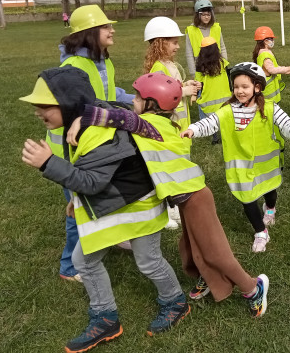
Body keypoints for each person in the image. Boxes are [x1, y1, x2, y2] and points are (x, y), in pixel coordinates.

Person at [68, 72, 271, 316]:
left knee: (216, 252)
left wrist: (84, 118)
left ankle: (253, 287)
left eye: (137, 96)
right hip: (184, 199)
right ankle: (208, 277)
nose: (133, 100)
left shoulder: (151, 126)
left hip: (196, 198)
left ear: (151, 104)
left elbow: (124, 118)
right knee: (190, 247)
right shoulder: (160, 122)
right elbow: (126, 111)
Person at [20, 68, 188, 352]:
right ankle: (105, 317)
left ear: (69, 103)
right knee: (85, 261)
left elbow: (93, 181)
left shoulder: (98, 134)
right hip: (117, 203)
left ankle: (175, 302)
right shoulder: (83, 123)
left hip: (138, 206)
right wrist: (76, 200)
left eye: (45, 104)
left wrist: (48, 164)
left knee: (147, 261)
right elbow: (89, 172)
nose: (38, 111)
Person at [48, 4, 135, 283]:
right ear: (88, 32)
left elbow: (110, 93)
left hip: (98, 140)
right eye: (105, 26)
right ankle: (69, 267)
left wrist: (136, 99)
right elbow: (78, 110)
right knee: (79, 206)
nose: (112, 30)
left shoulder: (103, 61)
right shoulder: (74, 67)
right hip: (73, 150)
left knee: (106, 195)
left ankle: (113, 237)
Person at [182, 63, 290, 252]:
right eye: (236, 86)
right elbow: (211, 122)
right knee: (247, 199)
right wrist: (193, 129)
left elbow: (287, 123)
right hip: (241, 168)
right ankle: (260, 232)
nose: (239, 91)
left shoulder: (270, 108)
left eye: (245, 87)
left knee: (269, 190)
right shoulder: (228, 110)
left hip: (266, 166)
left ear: (257, 87)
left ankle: (270, 208)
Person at [142, 16, 202, 228]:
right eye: (173, 42)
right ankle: (165, 210)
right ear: (160, 42)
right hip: (169, 127)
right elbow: (159, 99)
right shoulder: (159, 67)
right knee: (166, 168)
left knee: (177, 165)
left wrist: (185, 85)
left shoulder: (169, 65)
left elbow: (173, 87)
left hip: (179, 126)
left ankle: (173, 206)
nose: (178, 46)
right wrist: (184, 90)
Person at [195, 36, 232, 144]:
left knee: (210, 120)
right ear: (216, 49)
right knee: (225, 119)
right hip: (225, 98)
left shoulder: (200, 66)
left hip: (208, 100)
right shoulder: (223, 63)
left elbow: (199, 83)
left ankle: (215, 138)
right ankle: (227, 137)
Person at [184, 0, 228, 79]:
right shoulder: (191, 31)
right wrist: (193, 73)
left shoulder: (216, 28)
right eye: (203, 15)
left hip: (216, 66)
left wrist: (224, 64)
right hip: (200, 68)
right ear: (198, 15)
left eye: (208, 15)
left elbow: (222, 47)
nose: (206, 17)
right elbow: (189, 54)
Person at [253, 26, 290, 104]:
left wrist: (287, 70)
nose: (273, 41)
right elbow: (272, 70)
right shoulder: (265, 55)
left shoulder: (262, 52)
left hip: (268, 90)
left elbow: (274, 67)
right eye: (271, 39)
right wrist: (287, 69)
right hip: (269, 92)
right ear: (265, 41)